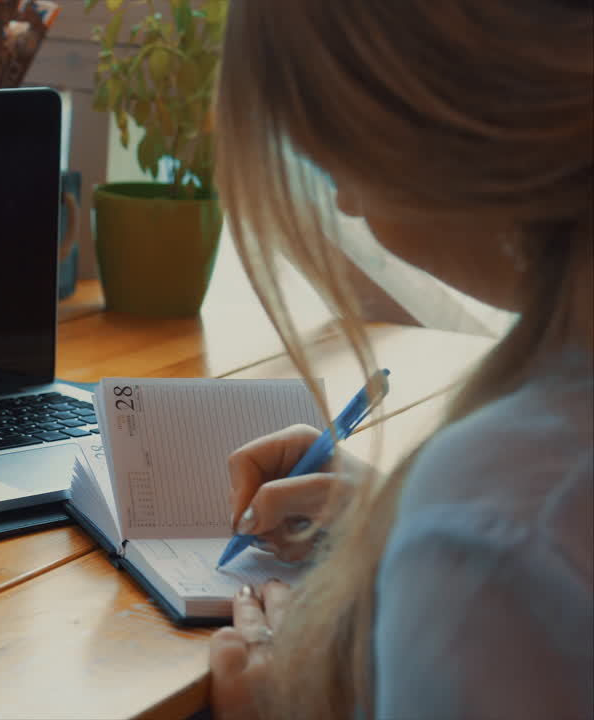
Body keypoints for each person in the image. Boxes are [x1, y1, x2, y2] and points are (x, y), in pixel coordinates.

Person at [203, 1, 593, 719]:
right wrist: (386, 520)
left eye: (337, 152)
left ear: (437, 111)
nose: (346, 205)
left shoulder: (500, 525)